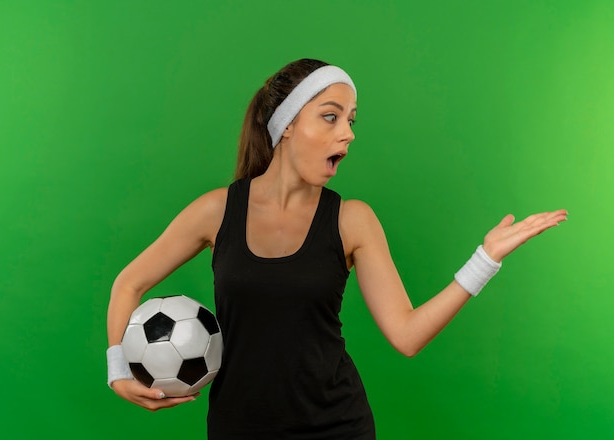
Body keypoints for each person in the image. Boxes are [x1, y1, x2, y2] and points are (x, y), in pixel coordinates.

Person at [106, 58, 567, 439]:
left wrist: (484, 260)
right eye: (330, 116)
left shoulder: (352, 219)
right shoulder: (216, 210)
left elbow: (406, 337)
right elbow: (130, 283)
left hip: (336, 426)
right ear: (285, 125)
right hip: (237, 427)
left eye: (350, 120)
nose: (347, 133)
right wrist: (117, 370)